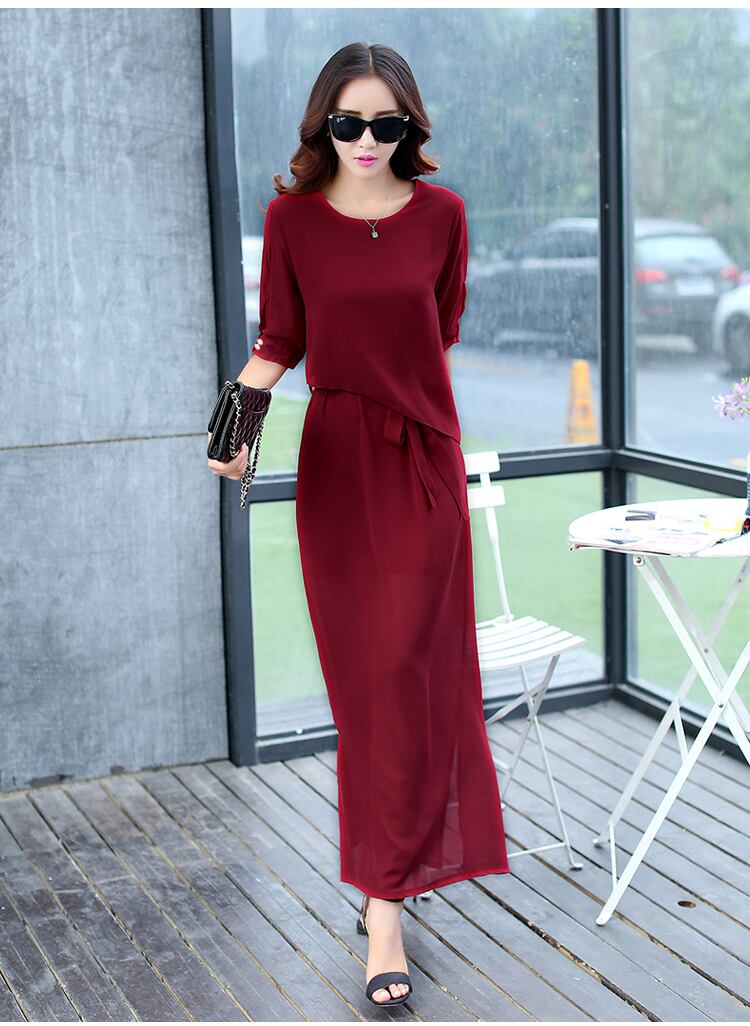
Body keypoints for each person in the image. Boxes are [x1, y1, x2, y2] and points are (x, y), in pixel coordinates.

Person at [208, 41, 509, 1009]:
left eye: (386, 123)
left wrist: (412, 407)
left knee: (408, 677)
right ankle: (388, 888)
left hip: (422, 465)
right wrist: (232, 430)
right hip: (339, 471)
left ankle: (384, 902)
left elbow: (440, 330)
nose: (368, 140)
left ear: (409, 126)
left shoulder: (444, 216)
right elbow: (280, 339)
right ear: (322, 126)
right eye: (349, 123)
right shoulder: (291, 220)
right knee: (367, 687)